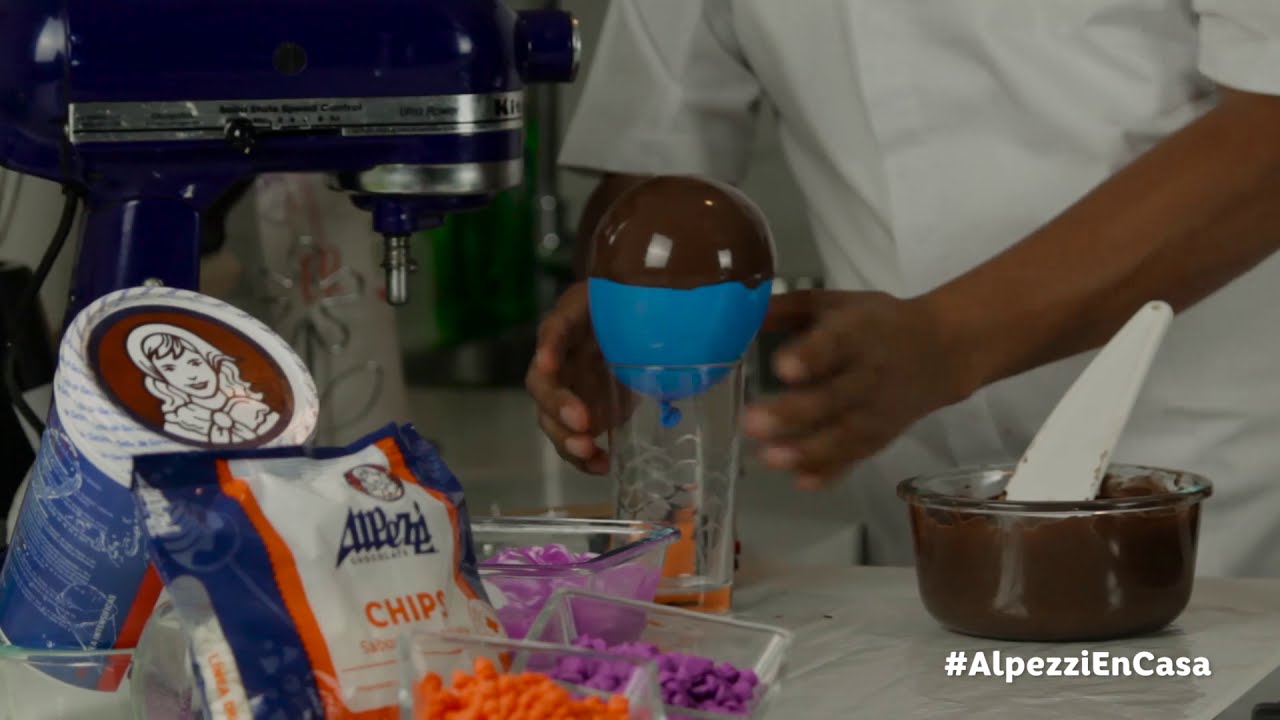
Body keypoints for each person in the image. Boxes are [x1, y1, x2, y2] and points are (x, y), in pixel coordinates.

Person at [525, 0, 1280, 577]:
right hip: (922, 492)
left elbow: (1270, 127)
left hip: (1230, 475)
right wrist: (628, 307)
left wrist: (947, 341)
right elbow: (662, 143)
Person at [127, 323, 281, 444]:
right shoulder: (180, 423)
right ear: (162, 379)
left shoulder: (253, 408)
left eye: (194, 363)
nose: (191, 376)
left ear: (211, 361)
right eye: (170, 369)